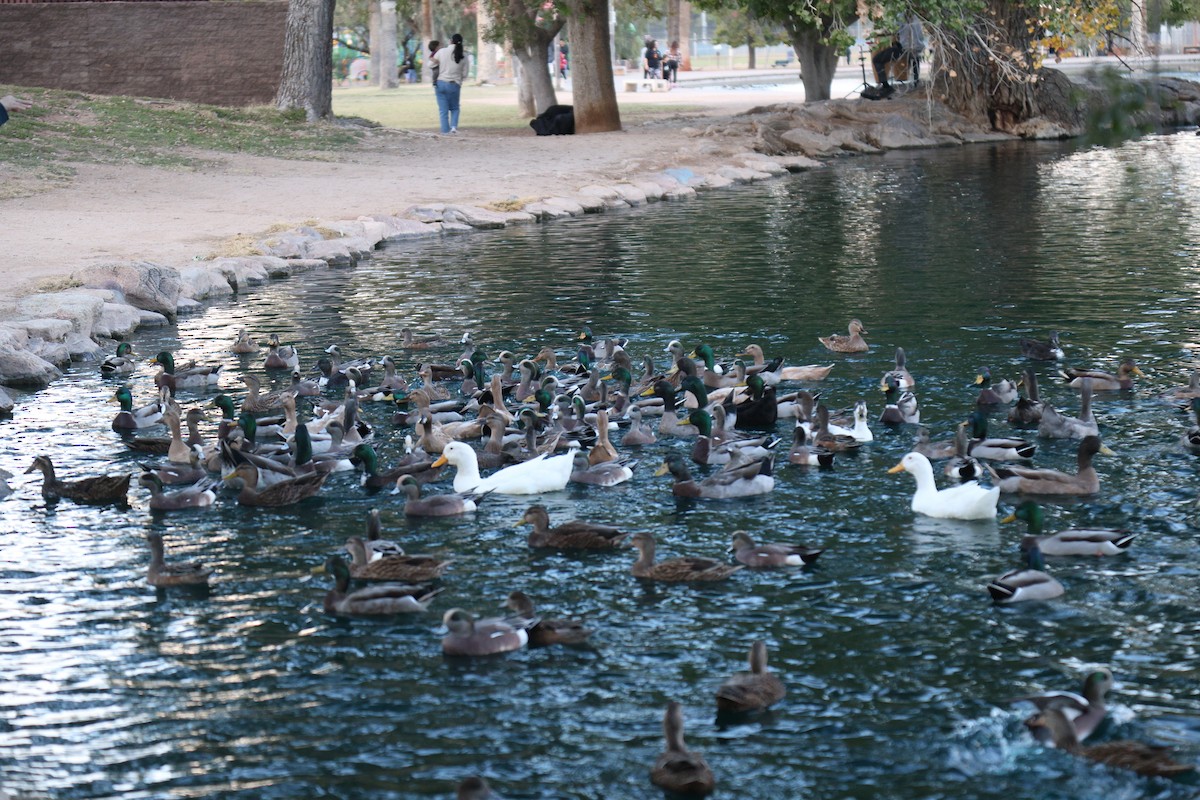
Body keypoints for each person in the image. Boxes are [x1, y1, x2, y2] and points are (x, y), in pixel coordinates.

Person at [432, 33, 468, 134]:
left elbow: (430, 64)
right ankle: (453, 127)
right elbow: (465, 74)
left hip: (440, 83)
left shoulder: (442, 51)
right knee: (455, 108)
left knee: (443, 110)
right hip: (455, 84)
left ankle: (444, 131)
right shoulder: (464, 55)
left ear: (451, 41)